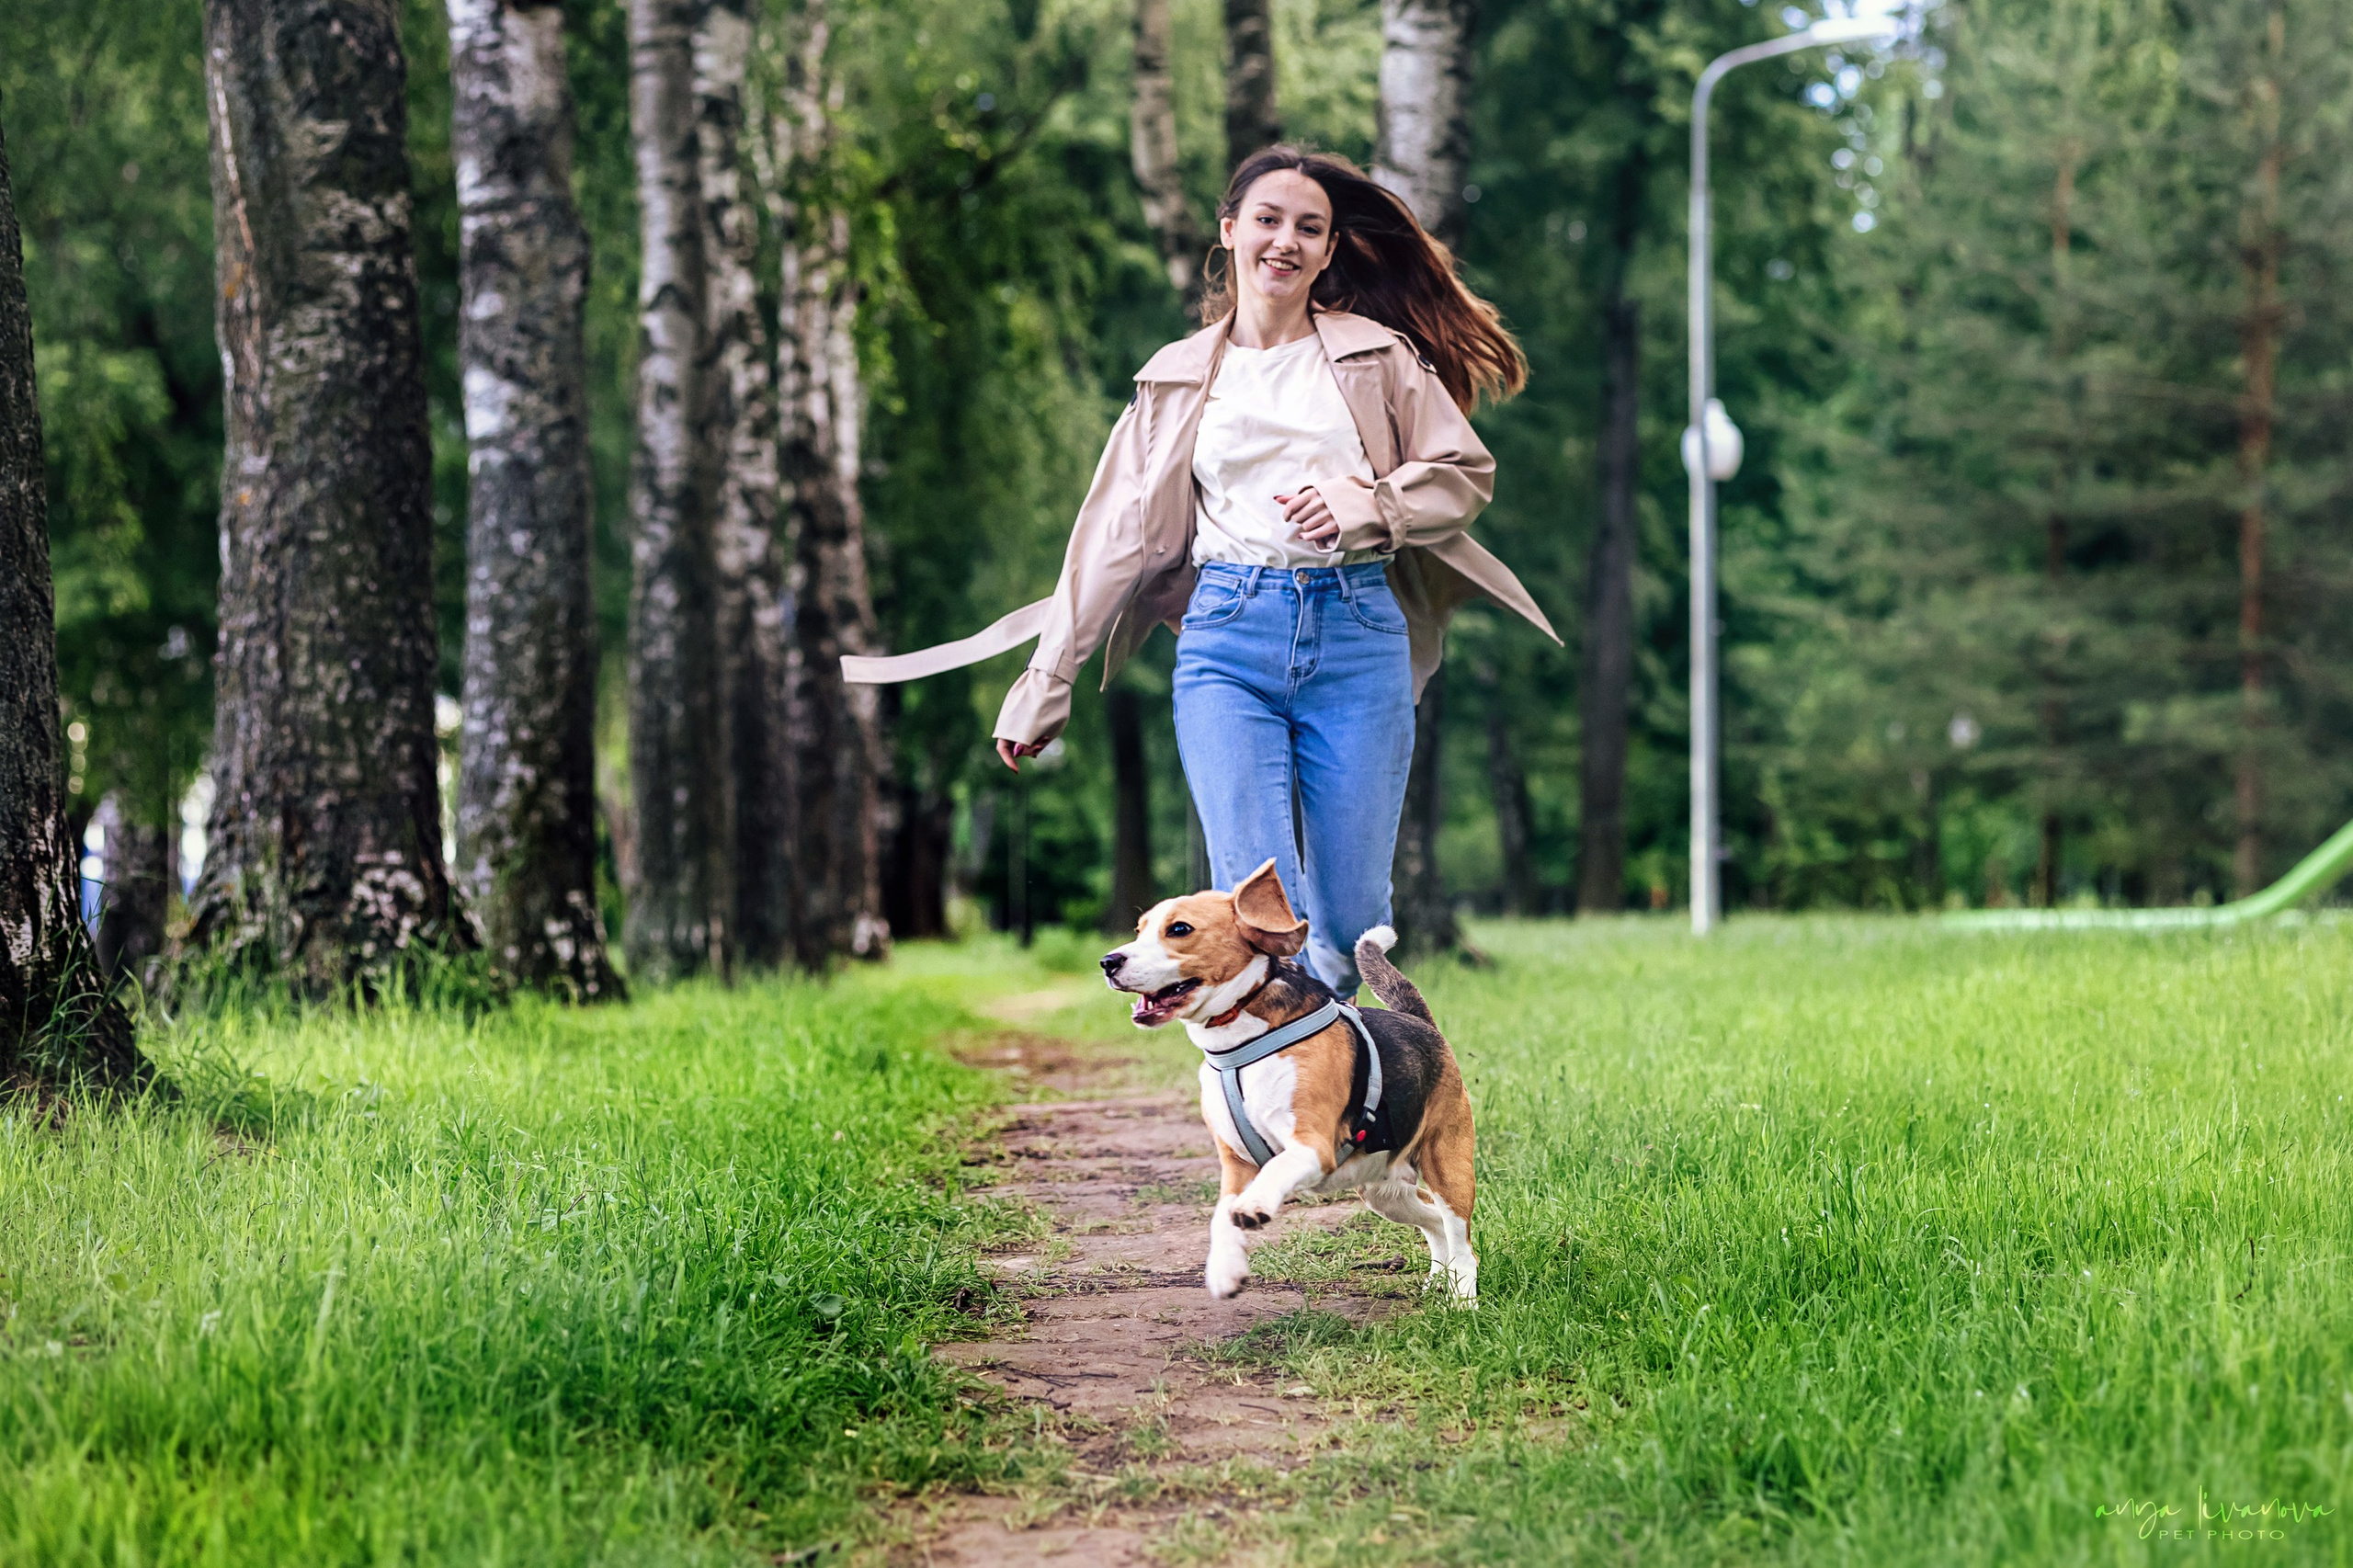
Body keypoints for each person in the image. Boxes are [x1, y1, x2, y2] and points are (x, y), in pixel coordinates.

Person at [845, 147, 1555, 995]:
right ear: (1230, 232)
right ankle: (1269, 1111)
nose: (1285, 241)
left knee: (1353, 923)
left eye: (1309, 228)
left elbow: (1462, 473)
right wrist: (1049, 675)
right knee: (1257, 905)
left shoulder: (1379, 359)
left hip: (1358, 635)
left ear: (1330, 251)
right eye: (1267, 220)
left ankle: (1323, 1080)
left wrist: (1372, 505)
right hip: (1227, 638)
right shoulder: (1177, 380)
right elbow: (1112, 537)